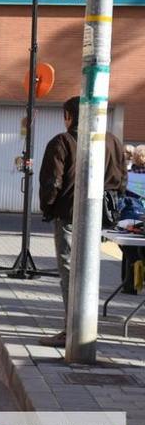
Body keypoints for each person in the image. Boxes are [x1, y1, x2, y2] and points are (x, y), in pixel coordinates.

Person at [38, 96, 127, 347]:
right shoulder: (112, 141)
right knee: (89, 269)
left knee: (69, 271)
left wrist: (48, 208)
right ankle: (84, 327)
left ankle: (71, 330)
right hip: (98, 218)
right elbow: (122, 180)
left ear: (70, 116)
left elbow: (51, 182)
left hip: (68, 215)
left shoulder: (62, 142)